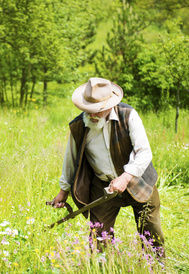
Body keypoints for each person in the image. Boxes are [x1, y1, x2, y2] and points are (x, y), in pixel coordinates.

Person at [51, 77, 165, 257]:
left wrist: (126, 177)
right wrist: (63, 192)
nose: (92, 115)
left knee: (151, 230)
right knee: (98, 236)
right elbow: (70, 160)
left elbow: (144, 152)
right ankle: (104, 272)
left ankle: (158, 270)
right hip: (102, 185)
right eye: (88, 110)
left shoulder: (128, 115)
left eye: (97, 111)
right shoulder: (79, 126)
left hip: (137, 179)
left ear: (109, 105)